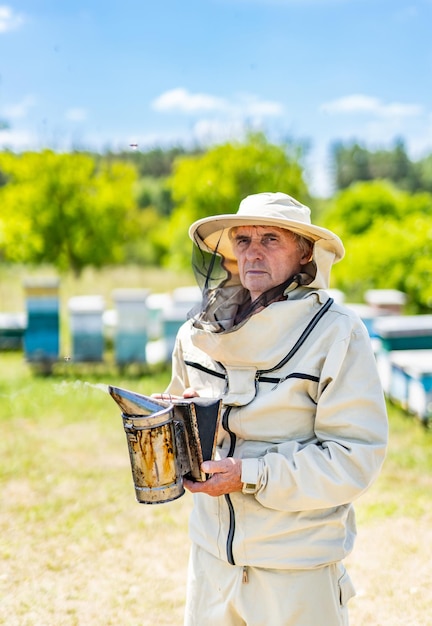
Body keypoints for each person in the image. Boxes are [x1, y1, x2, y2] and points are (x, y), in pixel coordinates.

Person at [163, 192, 388, 626]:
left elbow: (354, 457)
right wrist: (171, 419)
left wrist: (250, 474)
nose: (253, 252)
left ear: (305, 252)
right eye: (243, 240)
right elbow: (182, 431)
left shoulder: (337, 334)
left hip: (296, 569)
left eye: (270, 239)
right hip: (212, 564)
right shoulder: (196, 334)